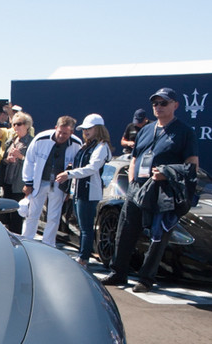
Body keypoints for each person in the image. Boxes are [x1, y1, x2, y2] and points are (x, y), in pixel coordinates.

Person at [101, 87, 198, 293]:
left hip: (163, 190)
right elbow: (135, 157)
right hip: (138, 188)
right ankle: (118, 272)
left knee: (157, 236)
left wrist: (167, 173)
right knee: (125, 230)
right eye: (155, 103)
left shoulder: (185, 131)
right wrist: (132, 180)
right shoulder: (146, 129)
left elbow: (191, 164)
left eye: (164, 103)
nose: (158, 107)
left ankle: (146, 279)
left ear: (175, 105)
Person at [55, 114, 112, 267]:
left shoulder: (101, 146)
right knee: (82, 227)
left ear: (98, 129)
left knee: (86, 228)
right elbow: (79, 166)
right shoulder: (88, 145)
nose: (85, 132)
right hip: (79, 191)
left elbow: (92, 168)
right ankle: (82, 255)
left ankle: (83, 258)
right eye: (84, 129)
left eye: (89, 128)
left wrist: (69, 174)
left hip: (89, 192)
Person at [21, 116, 83, 247]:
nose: (61, 135)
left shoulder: (77, 144)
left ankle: (48, 244)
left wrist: (69, 190)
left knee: (54, 216)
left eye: (65, 133)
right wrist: (28, 182)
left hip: (59, 184)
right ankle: (26, 241)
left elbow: (77, 168)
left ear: (71, 133)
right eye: (59, 131)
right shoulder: (41, 139)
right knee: (33, 212)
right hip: (40, 180)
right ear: (56, 128)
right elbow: (29, 161)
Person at [0, 111, 34, 233]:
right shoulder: (12, 141)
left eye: (19, 124)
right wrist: (8, 160)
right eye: (14, 124)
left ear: (27, 125)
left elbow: (34, 164)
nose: (16, 127)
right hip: (8, 181)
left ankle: (16, 238)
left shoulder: (32, 142)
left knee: (17, 214)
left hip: (19, 184)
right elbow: (4, 160)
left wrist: (21, 157)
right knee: (6, 213)